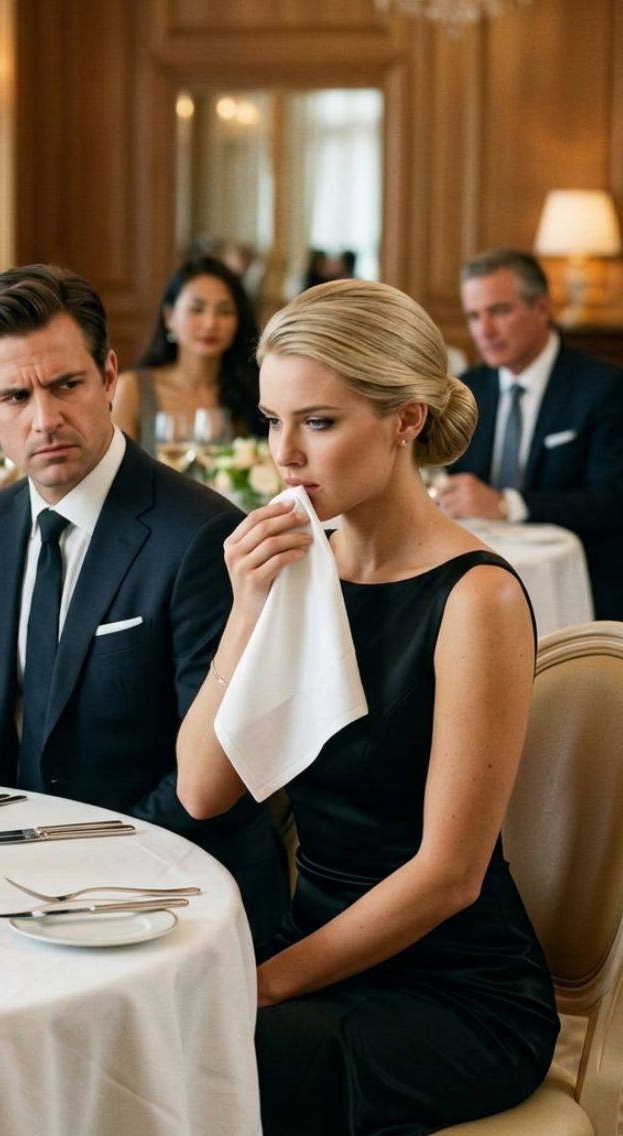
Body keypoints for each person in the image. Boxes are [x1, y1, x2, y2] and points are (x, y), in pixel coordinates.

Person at [175, 279, 558, 1134]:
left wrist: (264, 983)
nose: (285, 454)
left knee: (227, 1055)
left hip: (457, 991)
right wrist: (247, 609)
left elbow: (449, 876)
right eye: (272, 421)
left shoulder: (478, 598)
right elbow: (202, 790)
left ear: (406, 420)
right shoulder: (296, 567)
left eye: (318, 422)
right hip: (314, 947)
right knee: (152, 1035)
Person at [0, 264, 289, 946]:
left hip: (172, 888)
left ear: (108, 376)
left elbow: (212, 776)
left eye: (66, 385)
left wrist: (82, 867)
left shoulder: (200, 535)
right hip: (15, 883)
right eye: (14, 396)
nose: (45, 419)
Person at [438, 248, 623, 619]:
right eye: (474, 316)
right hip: (474, 575)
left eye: (499, 311)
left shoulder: (603, 388)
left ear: (542, 308)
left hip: (579, 578)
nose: (484, 331)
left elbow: (611, 502)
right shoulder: (466, 390)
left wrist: (507, 505)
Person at [115, 255, 265, 454]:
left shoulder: (253, 391)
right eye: (197, 309)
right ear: (169, 317)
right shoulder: (132, 389)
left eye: (225, 311)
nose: (210, 323)